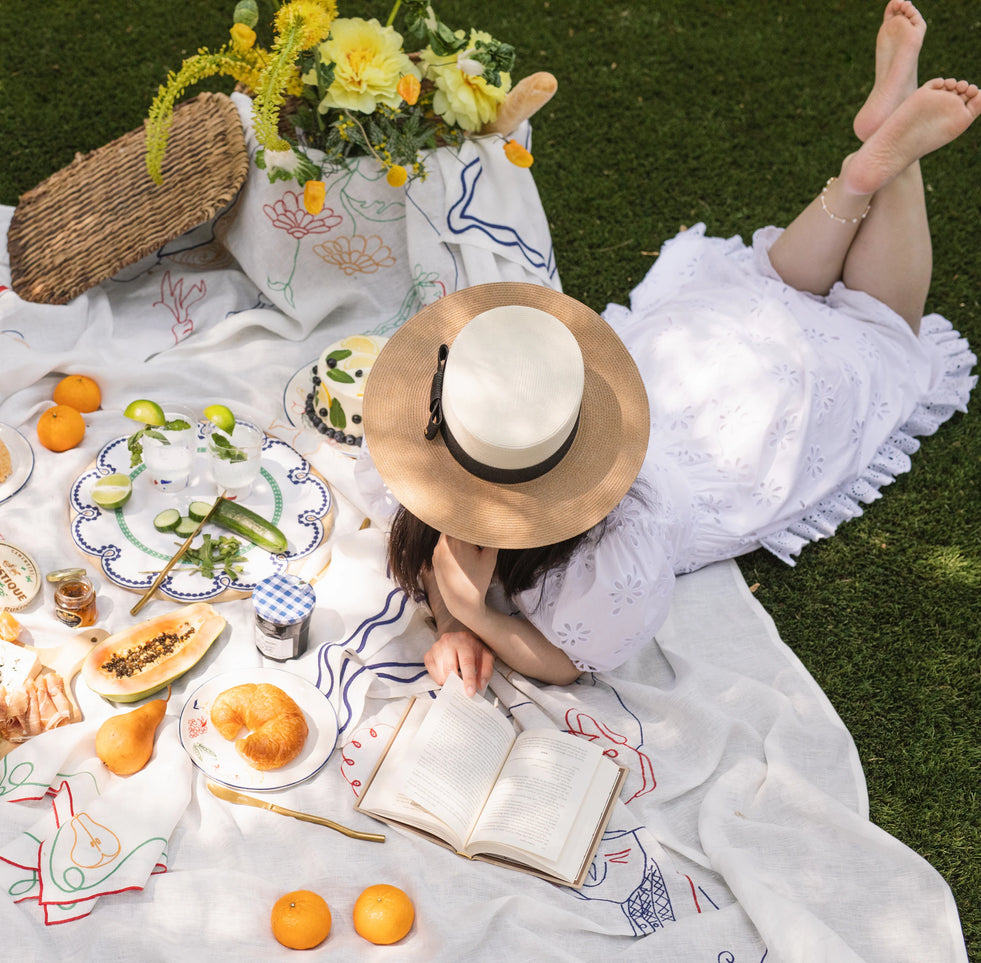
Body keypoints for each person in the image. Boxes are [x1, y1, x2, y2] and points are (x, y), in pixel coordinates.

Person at [360, 2, 978, 691]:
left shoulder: (618, 538)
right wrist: (452, 623)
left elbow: (566, 663)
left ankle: (885, 163)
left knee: (880, 334)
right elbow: (476, 602)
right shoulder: (468, 450)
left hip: (749, 431)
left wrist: (470, 610)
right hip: (675, 367)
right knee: (768, 287)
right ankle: (863, 170)